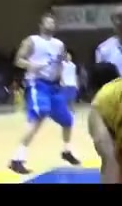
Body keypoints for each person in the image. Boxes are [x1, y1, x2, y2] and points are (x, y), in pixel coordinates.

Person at [8, 12, 80, 175]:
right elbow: (18, 60)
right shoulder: (32, 40)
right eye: (47, 22)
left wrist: (62, 75)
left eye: (53, 22)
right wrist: (31, 65)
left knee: (68, 120)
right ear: (41, 25)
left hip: (54, 87)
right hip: (37, 84)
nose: (50, 24)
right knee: (38, 117)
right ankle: (17, 159)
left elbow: (62, 61)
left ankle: (67, 151)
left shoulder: (59, 44)